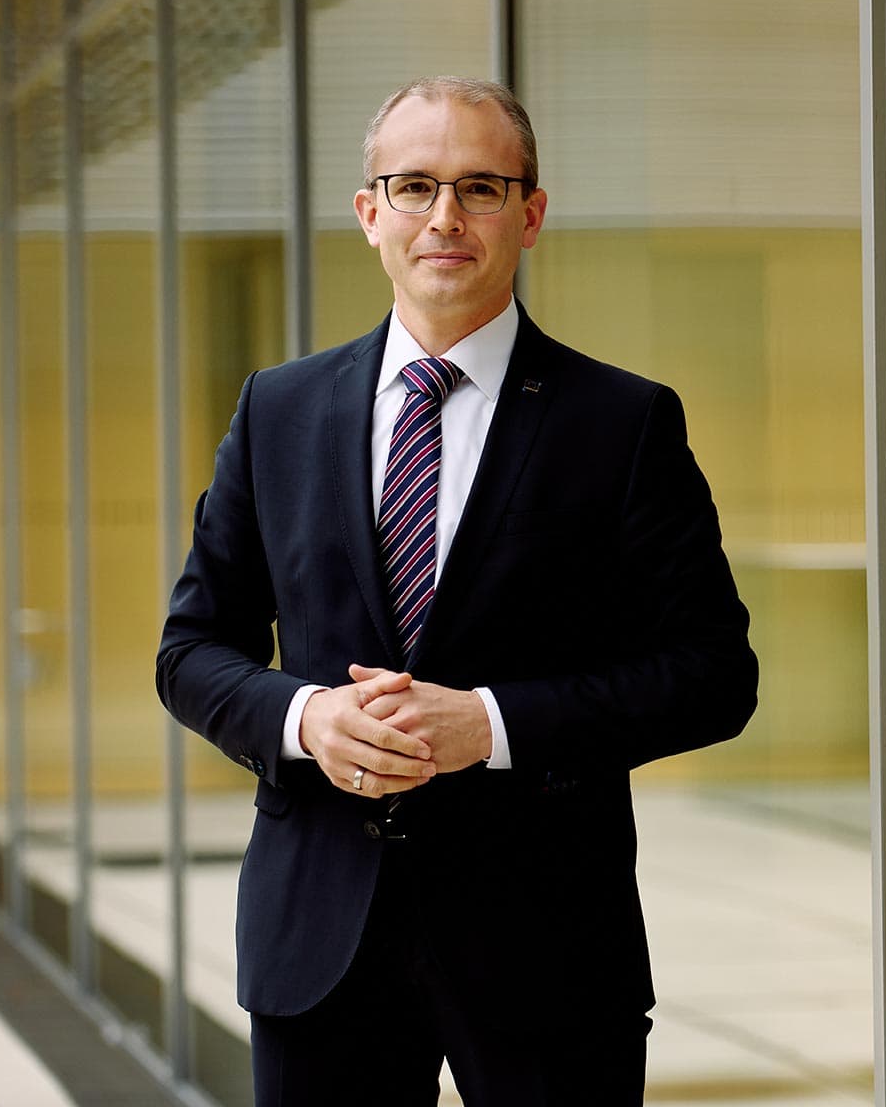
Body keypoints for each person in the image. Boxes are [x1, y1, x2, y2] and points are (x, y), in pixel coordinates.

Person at [156, 76, 758, 1106]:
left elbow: (711, 675)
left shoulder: (621, 423)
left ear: (530, 214)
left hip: (549, 947)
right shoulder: (278, 410)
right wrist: (307, 718)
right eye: (414, 185)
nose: (445, 217)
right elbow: (191, 648)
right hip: (320, 940)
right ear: (369, 212)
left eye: (480, 187)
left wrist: (490, 723)